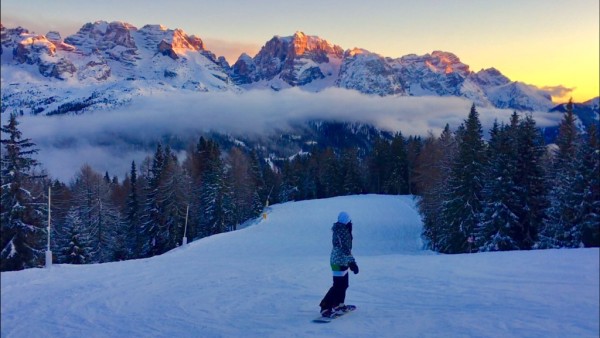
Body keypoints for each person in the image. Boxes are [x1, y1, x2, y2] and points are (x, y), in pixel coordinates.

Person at [319, 211, 359, 318]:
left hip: (342, 261)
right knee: (338, 285)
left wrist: (349, 262)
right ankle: (325, 307)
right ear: (347, 221)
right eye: (350, 221)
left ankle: (338, 305)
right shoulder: (342, 231)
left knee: (344, 285)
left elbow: (346, 249)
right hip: (338, 262)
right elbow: (345, 249)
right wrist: (352, 262)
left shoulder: (342, 229)